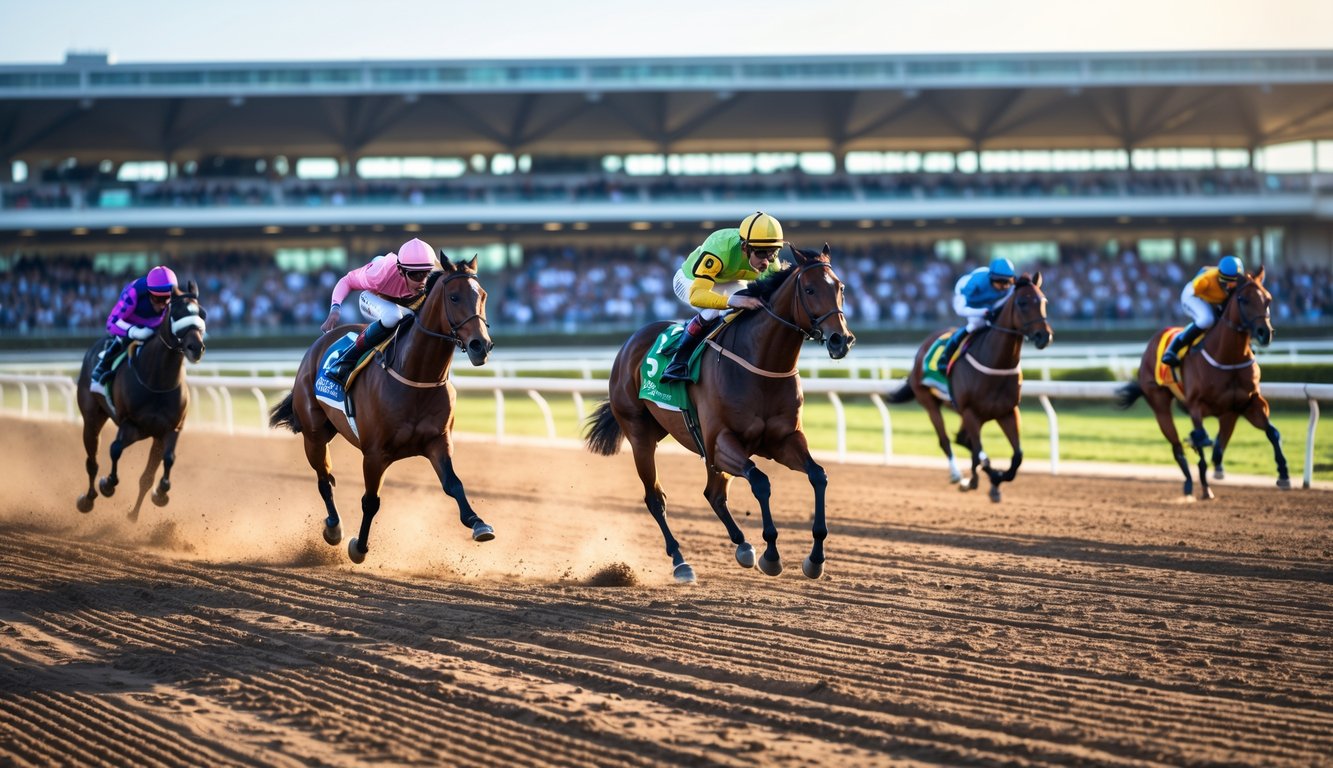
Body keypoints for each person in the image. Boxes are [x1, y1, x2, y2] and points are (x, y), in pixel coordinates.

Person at [660, 211, 785, 382]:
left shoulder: (771, 263)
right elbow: (697, 295)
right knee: (713, 310)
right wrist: (728, 301)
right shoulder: (721, 247)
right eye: (761, 253)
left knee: (752, 306)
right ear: (744, 247)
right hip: (691, 281)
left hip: (728, 279)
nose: (766, 261)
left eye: (773, 253)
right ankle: (680, 359)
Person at [320, 237, 440, 386]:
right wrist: (335, 309)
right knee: (393, 317)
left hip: (402, 303)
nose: (423, 282)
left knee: (416, 319)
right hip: (372, 297)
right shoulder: (380, 274)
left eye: (427, 273)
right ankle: (344, 361)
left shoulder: (436, 273)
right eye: (415, 275)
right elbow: (347, 280)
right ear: (401, 271)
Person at [88, 265, 178, 395]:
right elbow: (111, 323)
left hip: (156, 326)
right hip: (130, 324)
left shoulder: (175, 298)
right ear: (148, 292)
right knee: (120, 341)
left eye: (167, 299)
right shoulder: (133, 293)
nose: (162, 304)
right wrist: (133, 332)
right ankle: (101, 370)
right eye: (158, 299)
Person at [935, 257, 1017, 376]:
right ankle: (945, 358)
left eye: (1008, 282)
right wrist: (983, 312)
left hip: (990, 302)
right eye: (1000, 281)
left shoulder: (1010, 284)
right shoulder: (973, 285)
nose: (1004, 286)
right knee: (975, 325)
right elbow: (960, 310)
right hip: (970, 301)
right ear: (991, 278)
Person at [1162, 255, 1244, 367]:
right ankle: (1173, 348)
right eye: (1228, 281)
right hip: (1194, 296)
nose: (1231, 286)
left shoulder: (1238, 281)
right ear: (1219, 276)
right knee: (1207, 319)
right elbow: (1195, 288)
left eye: (1235, 282)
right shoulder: (1206, 279)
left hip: (1213, 300)